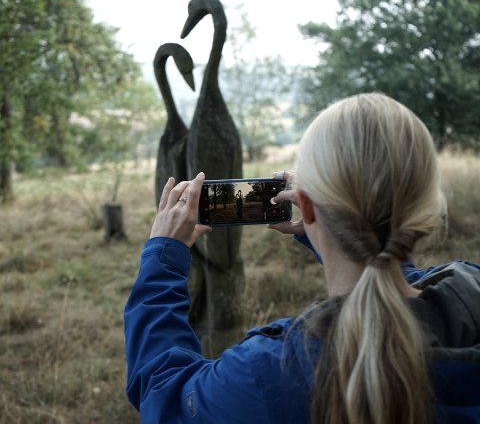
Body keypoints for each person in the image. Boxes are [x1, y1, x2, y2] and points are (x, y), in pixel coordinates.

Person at [124, 93, 480, 424]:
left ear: (305, 205)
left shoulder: (271, 372)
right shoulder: (469, 297)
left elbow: (163, 391)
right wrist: (328, 232)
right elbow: (395, 282)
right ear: (425, 209)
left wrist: (163, 258)